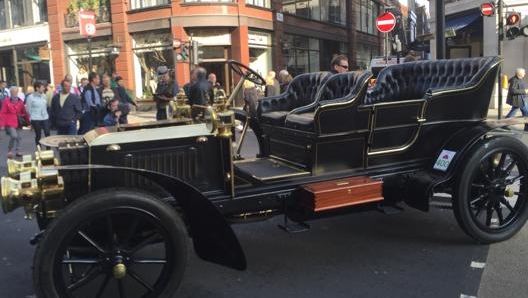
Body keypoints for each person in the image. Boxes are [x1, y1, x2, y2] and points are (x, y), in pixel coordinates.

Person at [1, 86, 30, 158]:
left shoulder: (20, 101)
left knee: (19, 137)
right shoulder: (6, 101)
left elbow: (24, 112)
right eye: (13, 91)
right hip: (9, 122)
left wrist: (28, 122)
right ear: (10, 92)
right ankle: (10, 150)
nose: (15, 93)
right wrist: (2, 124)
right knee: (14, 136)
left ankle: (18, 151)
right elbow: (2, 113)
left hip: (19, 121)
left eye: (16, 91)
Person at [25, 81, 50, 147]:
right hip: (36, 118)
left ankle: (48, 149)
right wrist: (33, 116)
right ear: (37, 88)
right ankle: (39, 150)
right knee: (38, 134)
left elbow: (46, 106)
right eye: (42, 87)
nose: (44, 88)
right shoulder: (30, 97)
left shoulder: (44, 96)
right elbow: (28, 109)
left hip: (45, 117)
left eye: (43, 87)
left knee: (47, 133)